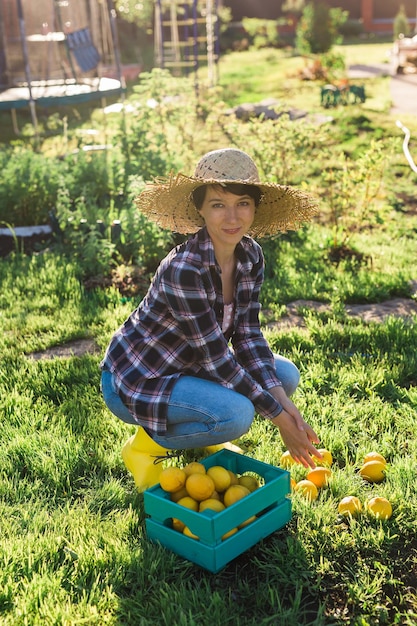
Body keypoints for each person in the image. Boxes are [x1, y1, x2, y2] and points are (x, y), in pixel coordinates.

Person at [101, 148, 322, 491]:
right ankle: (142, 449)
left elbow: (247, 337)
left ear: (255, 207)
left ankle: (205, 433)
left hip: (193, 365)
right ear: (200, 208)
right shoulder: (184, 269)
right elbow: (217, 359)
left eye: (243, 203)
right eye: (218, 204)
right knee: (237, 415)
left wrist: (285, 404)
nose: (232, 217)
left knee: (284, 377)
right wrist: (280, 418)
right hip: (140, 377)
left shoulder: (250, 255)